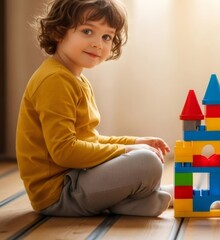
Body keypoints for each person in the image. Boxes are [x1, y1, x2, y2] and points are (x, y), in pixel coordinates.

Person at [16, 0, 173, 217]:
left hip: (78, 178)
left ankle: (129, 203)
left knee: (146, 158)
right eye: (87, 31)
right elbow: (65, 151)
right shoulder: (54, 80)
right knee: (147, 163)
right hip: (59, 193)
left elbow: (88, 140)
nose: (98, 43)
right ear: (58, 32)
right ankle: (136, 198)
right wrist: (127, 151)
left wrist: (134, 142)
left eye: (106, 37)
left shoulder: (75, 79)